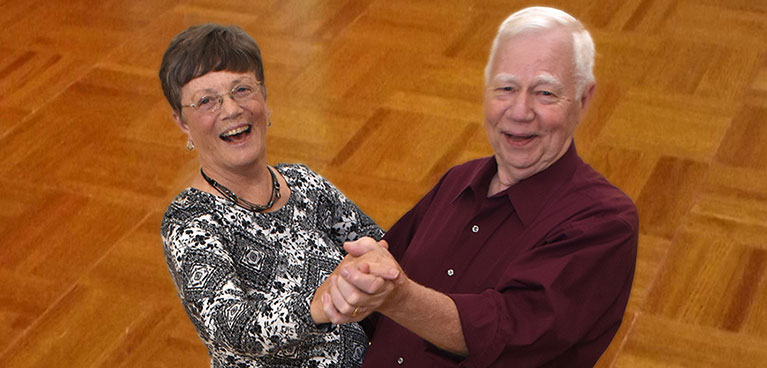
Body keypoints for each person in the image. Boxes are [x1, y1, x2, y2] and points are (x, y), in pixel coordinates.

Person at [319, 6, 639, 367]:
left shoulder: (605, 222)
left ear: (583, 99)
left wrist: (397, 298)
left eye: (545, 93)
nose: (520, 111)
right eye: (506, 88)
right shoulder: (459, 179)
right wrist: (361, 280)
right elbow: (381, 283)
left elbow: (506, 332)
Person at [158, 24, 386, 368]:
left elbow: (380, 244)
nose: (232, 109)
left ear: (264, 98)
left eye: (242, 89)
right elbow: (236, 327)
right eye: (207, 101)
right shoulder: (189, 221)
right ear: (182, 123)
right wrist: (319, 303)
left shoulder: (303, 183)